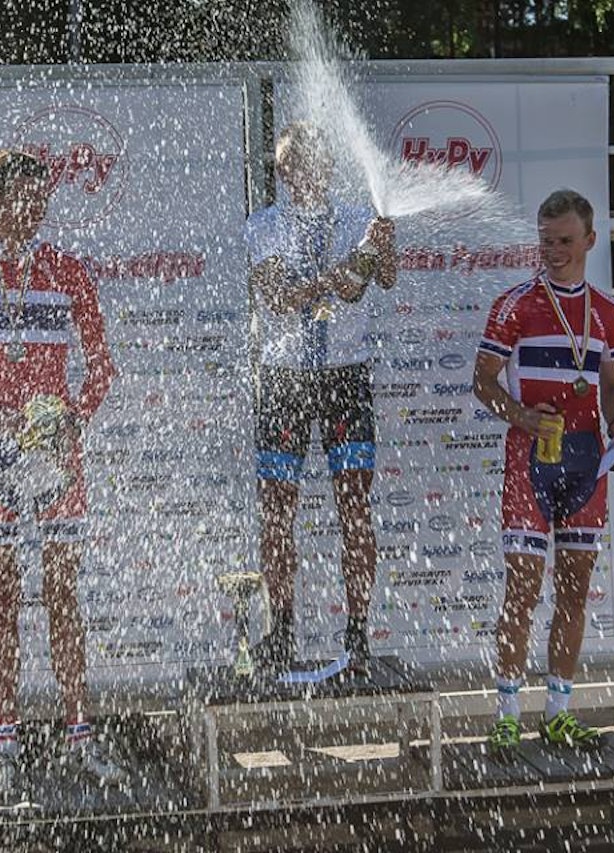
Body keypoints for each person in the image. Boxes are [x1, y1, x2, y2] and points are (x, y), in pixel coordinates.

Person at [0, 148, 120, 802]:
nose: (37, 210)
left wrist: (73, 418)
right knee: (2, 597)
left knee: (62, 592)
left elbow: (101, 368)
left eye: (43, 199)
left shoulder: (67, 269)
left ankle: (81, 736)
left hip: (55, 452)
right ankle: (3, 745)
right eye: (26, 199)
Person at [472, 189, 614, 753]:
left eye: (565, 240)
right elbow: (482, 382)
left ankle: (559, 712)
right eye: (546, 241)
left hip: (586, 458)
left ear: (590, 240)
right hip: (531, 458)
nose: (554, 251)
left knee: (574, 589)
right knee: (521, 588)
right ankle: (507, 712)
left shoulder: (608, 313)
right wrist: (522, 415)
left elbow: (611, 387)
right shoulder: (514, 305)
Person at [244, 122, 397, 676]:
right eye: (292, 164)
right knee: (277, 511)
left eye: (314, 161)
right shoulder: (263, 225)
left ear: (329, 166)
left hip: (344, 377)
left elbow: (384, 279)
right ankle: (281, 631)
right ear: (282, 172)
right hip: (283, 378)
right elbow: (280, 298)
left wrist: (381, 247)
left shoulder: (358, 219)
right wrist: (343, 272)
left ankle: (357, 634)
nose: (304, 172)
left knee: (354, 506)